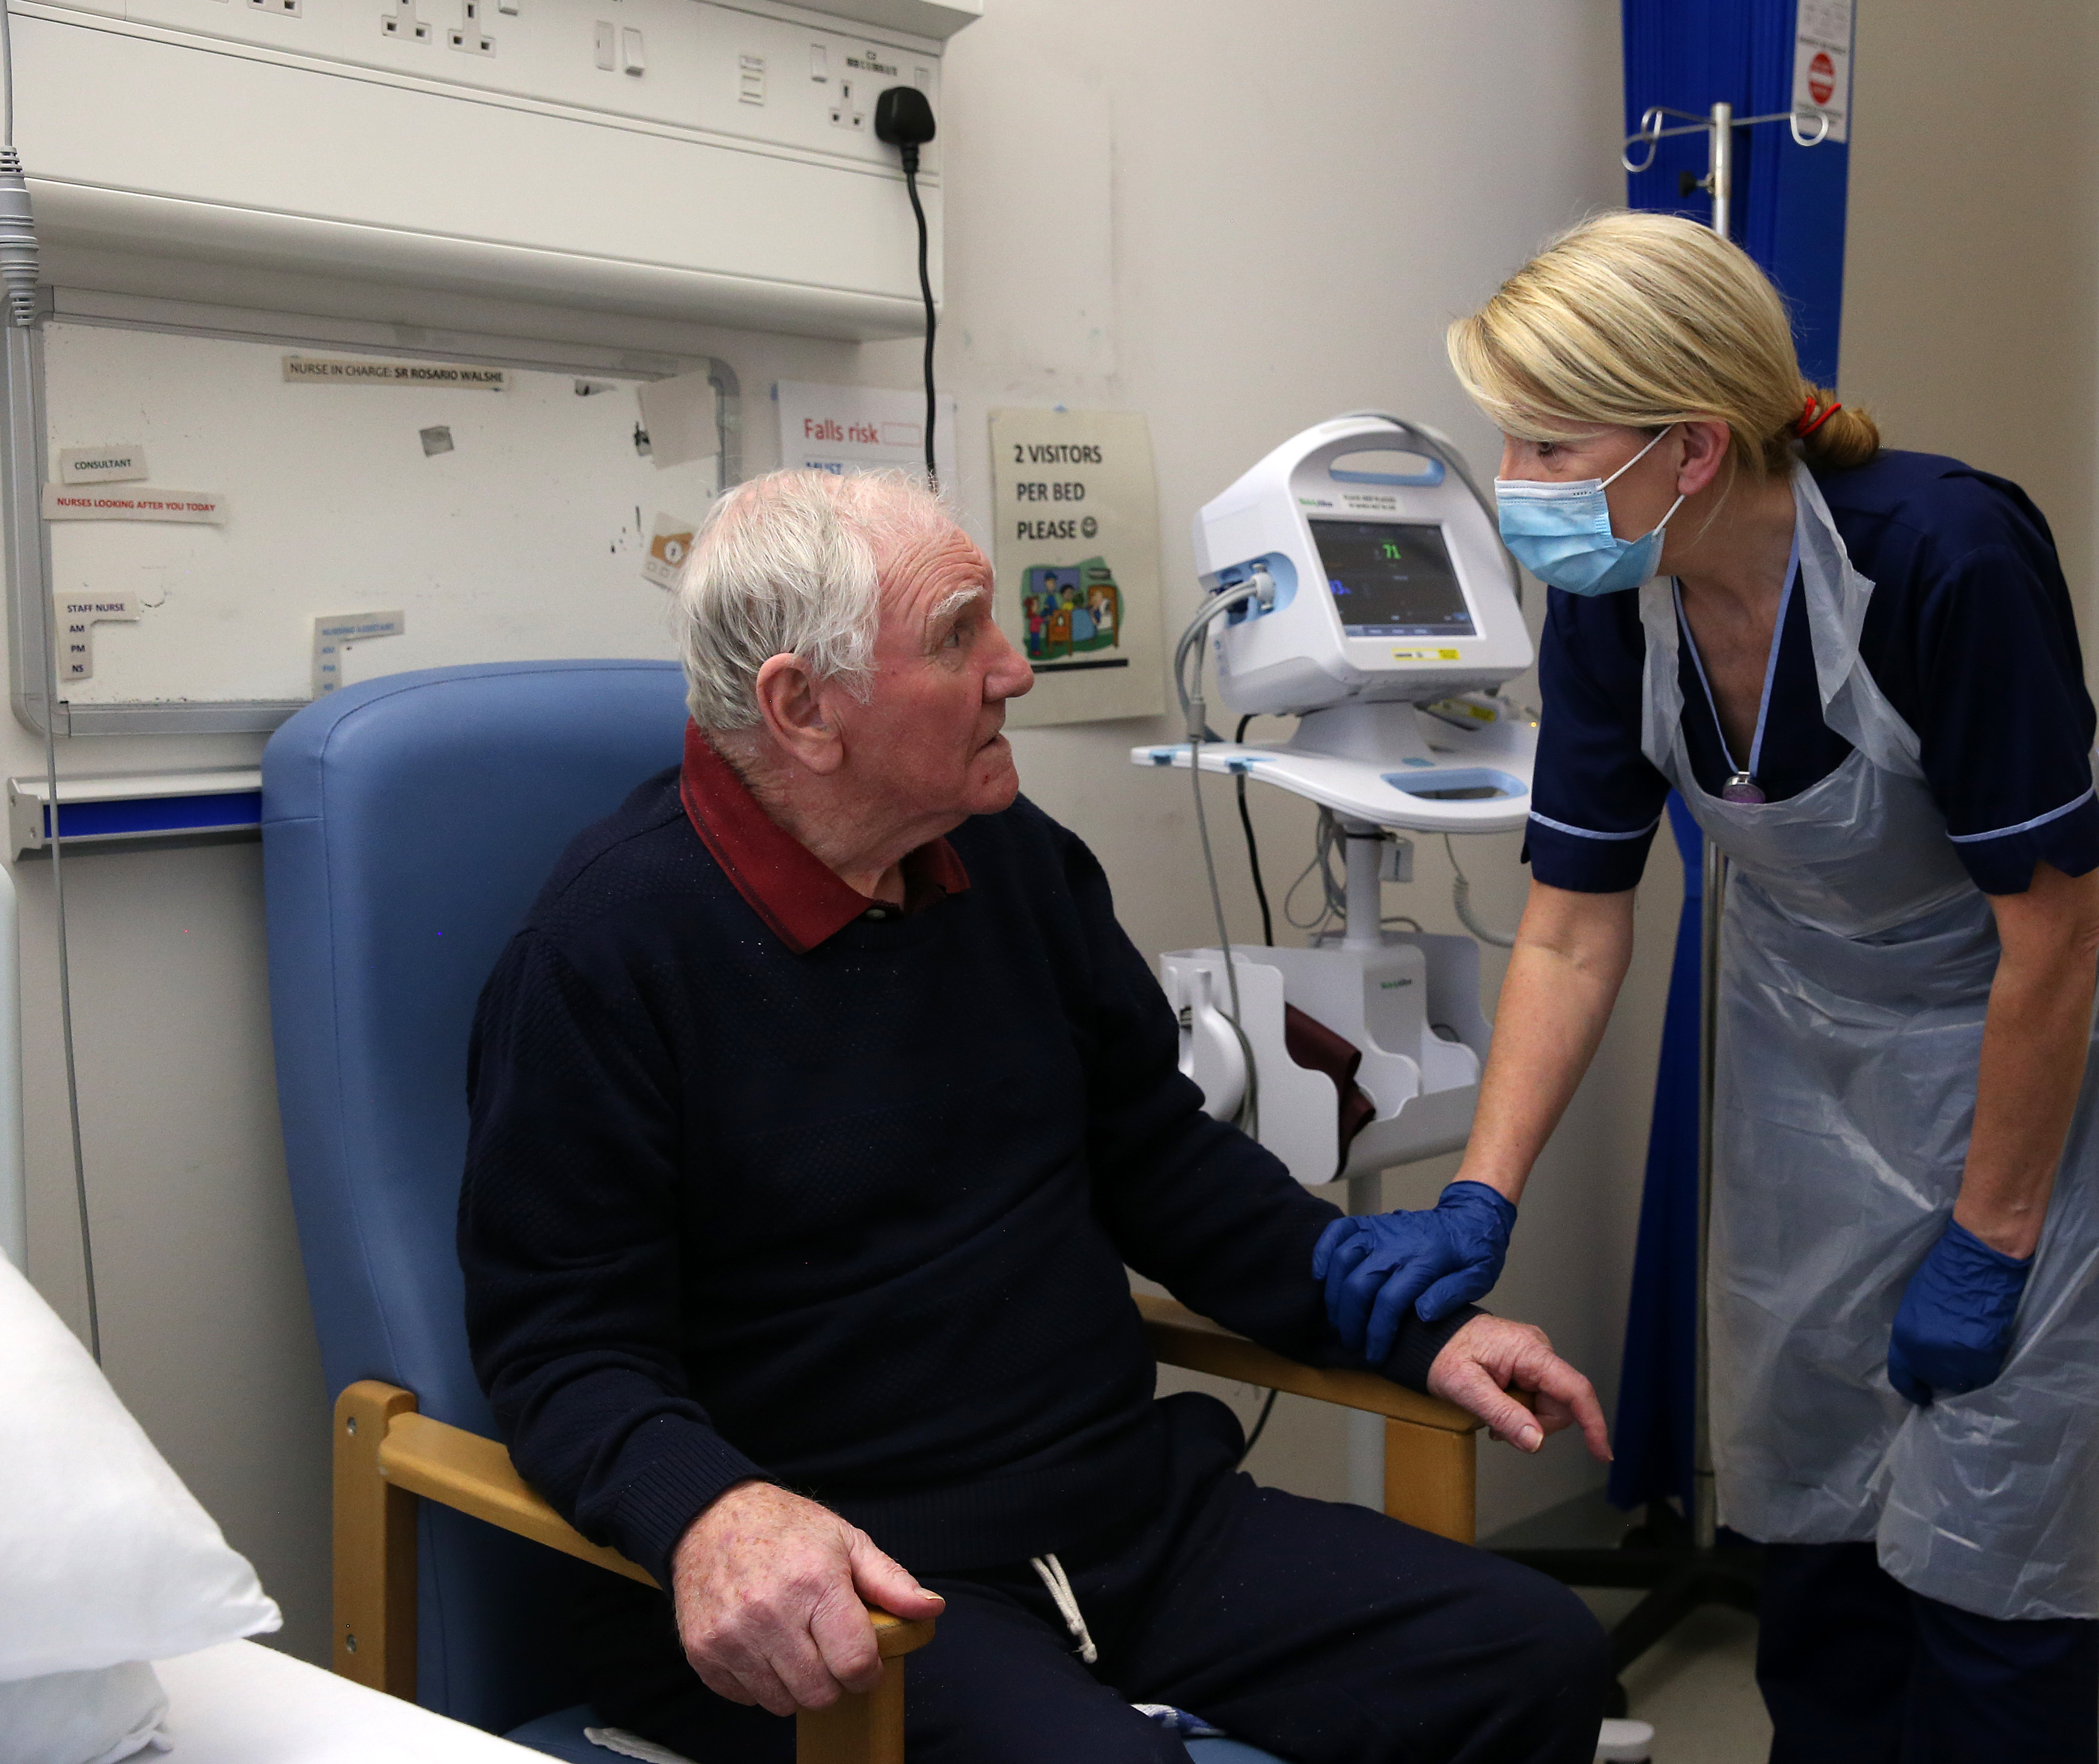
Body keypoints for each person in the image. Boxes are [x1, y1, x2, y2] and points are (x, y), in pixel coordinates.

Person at [460, 468, 1614, 1764]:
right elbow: (561, 1348)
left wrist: (1394, 1312)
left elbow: (1158, 1158)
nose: (1013, 670)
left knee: (1533, 1658)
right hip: (857, 1587)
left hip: (1129, 1521)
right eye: (959, 635)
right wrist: (711, 1513)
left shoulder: (1012, 860)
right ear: (803, 708)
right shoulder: (605, 955)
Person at [1315, 214, 2099, 1761]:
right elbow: (1578, 924)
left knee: (1991, 1538)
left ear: (1695, 449)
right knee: (1817, 1506)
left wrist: (1992, 1238)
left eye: (1546, 442)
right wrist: (1481, 1199)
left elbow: (2052, 937)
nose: (1516, 487)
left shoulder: (1943, 555)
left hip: (2037, 1025)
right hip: (1806, 1029)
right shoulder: (1616, 591)